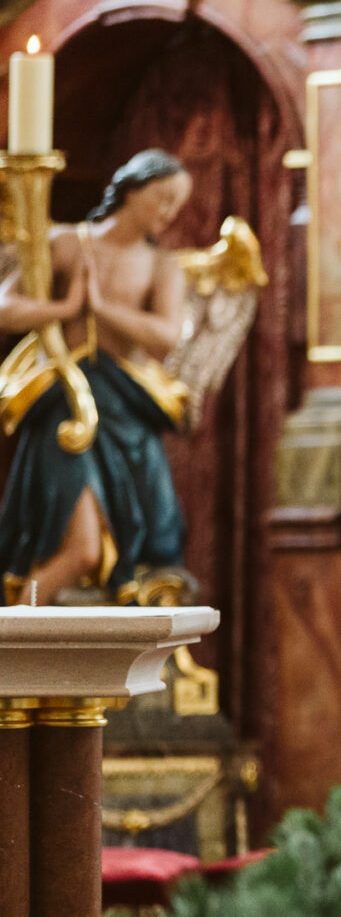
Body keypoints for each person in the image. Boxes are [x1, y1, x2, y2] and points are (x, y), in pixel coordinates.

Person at [0, 148, 193, 603]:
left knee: (127, 548)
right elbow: (5, 306)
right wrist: (65, 309)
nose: (168, 212)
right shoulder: (67, 243)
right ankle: (13, 621)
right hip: (66, 408)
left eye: (177, 205)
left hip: (124, 412)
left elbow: (167, 337)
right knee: (83, 551)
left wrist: (103, 309)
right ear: (131, 188)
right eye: (162, 198)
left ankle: (23, 623)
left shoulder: (163, 265)